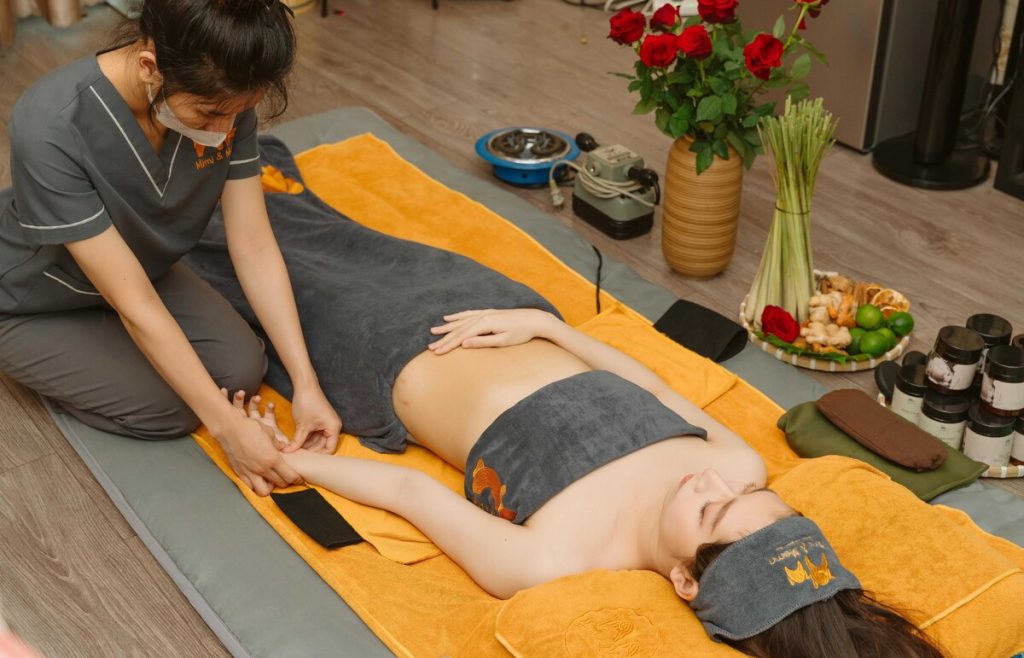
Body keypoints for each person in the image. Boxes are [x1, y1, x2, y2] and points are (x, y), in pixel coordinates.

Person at [188, 137, 944, 656]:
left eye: (710, 511)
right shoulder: (740, 464)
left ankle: (158, 188)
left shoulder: (558, 557)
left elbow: (409, 494)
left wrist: (291, 462)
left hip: (382, 356)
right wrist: (544, 325)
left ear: (685, 580)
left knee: (233, 260)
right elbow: (649, 385)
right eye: (750, 496)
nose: (711, 481)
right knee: (335, 232)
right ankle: (223, 151)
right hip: (488, 307)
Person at [0, 0, 340, 496]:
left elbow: (254, 245)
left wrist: (307, 383)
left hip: (141, 270)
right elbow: (135, 303)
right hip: (32, 299)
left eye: (237, 114)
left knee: (243, 368)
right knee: (174, 409)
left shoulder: (227, 94)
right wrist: (228, 428)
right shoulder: (50, 123)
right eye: (211, 114)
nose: (225, 131)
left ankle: (110, 348)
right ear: (149, 67)